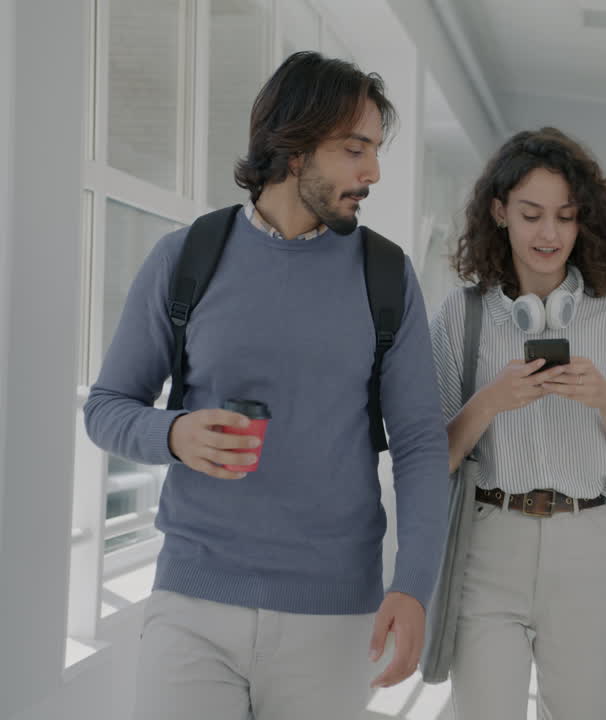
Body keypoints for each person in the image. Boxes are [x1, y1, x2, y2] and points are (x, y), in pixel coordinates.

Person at [83, 51, 450, 719]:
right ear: (293, 148)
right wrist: (174, 434)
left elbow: (422, 442)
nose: (372, 172)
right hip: (192, 603)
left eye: (375, 150)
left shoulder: (386, 276)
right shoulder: (186, 257)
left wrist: (414, 585)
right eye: (355, 150)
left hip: (333, 617)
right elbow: (106, 408)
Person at [430, 127, 606, 719]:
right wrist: (489, 401)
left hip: (584, 545)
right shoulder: (461, 314)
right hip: (488, 543)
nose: (549, 234)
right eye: (531, 214)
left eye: (565, 217)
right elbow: (431, 459)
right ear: (499, 212)